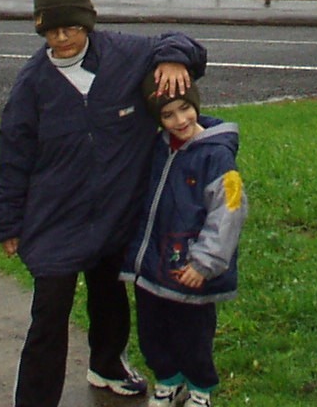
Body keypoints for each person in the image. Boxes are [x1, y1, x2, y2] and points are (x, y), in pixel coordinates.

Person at [0, 0, 207, 407]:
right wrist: (5, 220)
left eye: (72, 27)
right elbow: (12, 156)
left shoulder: (125, 55)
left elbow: (184, 45)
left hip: (115, 211)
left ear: (88, 22)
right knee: (49, 314)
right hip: (56, 217)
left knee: (109, 294)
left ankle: (107, 365)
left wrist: (174, 59)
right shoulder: (32, 85)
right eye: (52, 30)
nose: (62, 38)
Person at [122, 82, 246, 407]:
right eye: (168, 115)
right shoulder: (157, 147)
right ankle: (169, 380)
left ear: (196, 106)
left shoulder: (216, 156)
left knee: (192, 335)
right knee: (152, 331)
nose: (180, 120)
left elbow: (228, 211)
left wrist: (205, 262)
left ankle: (200, 389)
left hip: (189, 267)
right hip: (152, 263)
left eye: (185, 109)